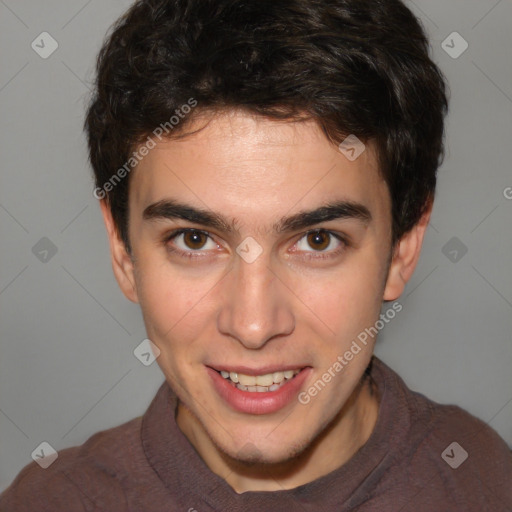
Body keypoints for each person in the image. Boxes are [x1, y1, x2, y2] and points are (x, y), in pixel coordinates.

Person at [1, 0, 511, 510]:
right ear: (123, 250)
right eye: (194, 240)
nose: (253, 325)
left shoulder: (487, 483)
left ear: (404, 246)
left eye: (318, 240)